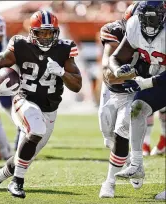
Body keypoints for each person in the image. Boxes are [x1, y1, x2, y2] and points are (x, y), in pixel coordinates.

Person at [0, 10, 82, 202]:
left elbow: (77, 86)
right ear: (32, 32)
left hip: (49, 109)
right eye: (41, 33)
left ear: (56, 32)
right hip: (24, 99)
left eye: (49, 32)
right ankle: (18, 182)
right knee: (36, 130)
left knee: (23, 157)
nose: (45, 37)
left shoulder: (65, 49)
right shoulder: (20, 45)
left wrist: (61, 73)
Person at [106, 1, 165, 183]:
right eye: (146, 19)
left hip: (157, 78)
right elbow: (116, 57)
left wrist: (146, 83)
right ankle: (137, 165)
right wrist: (117, 70)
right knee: (138, 108)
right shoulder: (133, 26)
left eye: (154, 19)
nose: (150, 23)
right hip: (158, 78)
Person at [98, 2, 145, 198]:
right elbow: (109, 74)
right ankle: (136, 165)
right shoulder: (114, 31)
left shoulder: (159, 36)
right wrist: (135, 73)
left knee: (121, 131)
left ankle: (110, 182)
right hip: (111, 90)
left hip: (134, 91)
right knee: (108, 134)